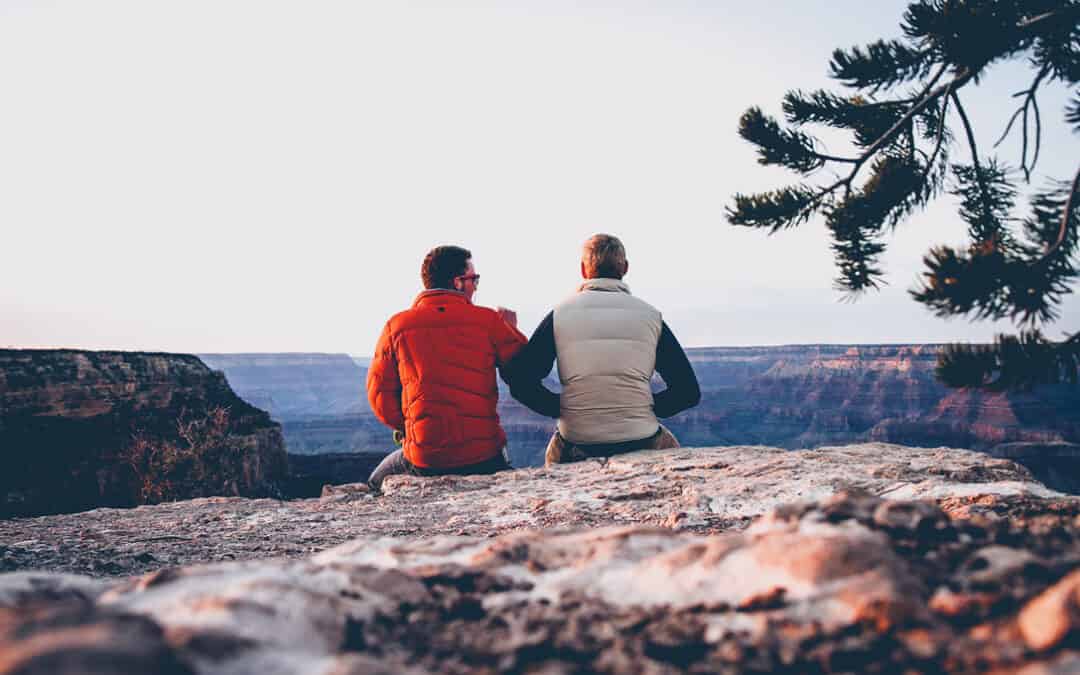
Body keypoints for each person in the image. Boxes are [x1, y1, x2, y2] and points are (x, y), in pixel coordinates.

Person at [504, 233, 701, 465]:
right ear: (625, 268)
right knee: (671, 453)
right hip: (641, 437)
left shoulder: (560, 315)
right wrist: (645, 406)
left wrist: (561, 407)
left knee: (554, 455)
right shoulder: (651, 316)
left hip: (577, 441)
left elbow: (520, 381)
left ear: (583, 270)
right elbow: (688, 391)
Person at [366, 245, 526, 489]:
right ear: (458, 282)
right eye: (474, 279)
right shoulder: (488, 321)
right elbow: (525, 370)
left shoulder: (397, 326)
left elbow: (379, 396)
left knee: (375, 483)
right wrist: (511, 329)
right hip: (483, 457)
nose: (475, 286)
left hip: (426, 459)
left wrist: (410, 426)